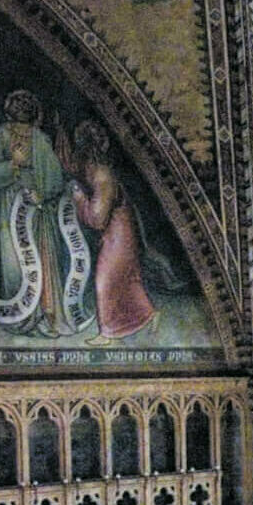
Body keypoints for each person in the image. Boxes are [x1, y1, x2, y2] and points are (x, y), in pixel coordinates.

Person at [0, 87, 71, 337]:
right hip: (11, 207)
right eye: (17, 114)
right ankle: (20, 316)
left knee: (41, 258)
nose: (22, 128)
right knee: (14, 259)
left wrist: (41, 195)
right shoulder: (1, 136)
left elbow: (55, 176)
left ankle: (44, 314)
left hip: (36, 209)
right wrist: (13, 163)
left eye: (25, 113)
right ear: (10, 114)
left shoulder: (40, 139)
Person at [70, 118, 157, 343]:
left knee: (106, 279)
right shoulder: (94, 170)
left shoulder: (102, 175)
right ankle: (149, 314)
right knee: (127, 278)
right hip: (119, 230)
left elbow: (98, 219)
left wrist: (79, 199)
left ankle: (107, 333)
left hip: (119, 233)